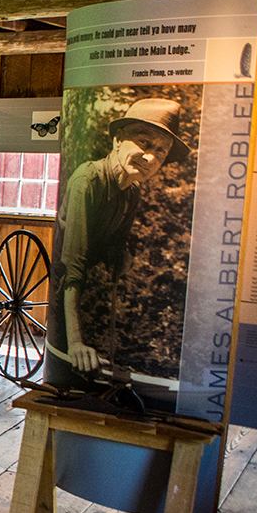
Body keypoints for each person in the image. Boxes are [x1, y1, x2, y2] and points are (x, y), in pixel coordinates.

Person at [45, 97, 190, 387]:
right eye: (144, 143)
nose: (151, 158)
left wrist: (122, 256)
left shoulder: (131, 192)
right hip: (64, 302)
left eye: (160, 152)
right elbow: (73, 267)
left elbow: (117, 247)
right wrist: (75, 343)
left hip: (91, 302)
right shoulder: (87, 181)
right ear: (118, 140)